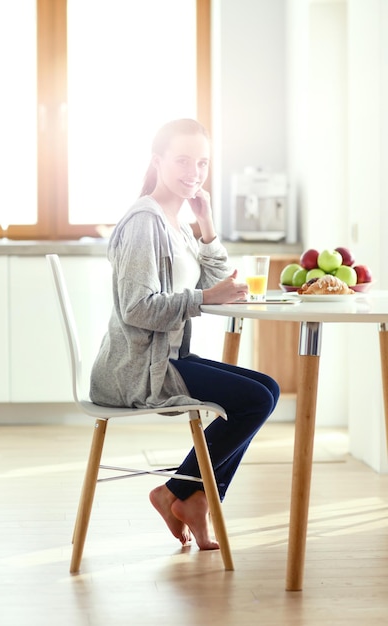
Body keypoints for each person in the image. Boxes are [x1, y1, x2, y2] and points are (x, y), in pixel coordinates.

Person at [90, 118, 280, 551]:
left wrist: (206, 222)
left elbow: (218, 277)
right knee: (255, 399)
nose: (193, 172)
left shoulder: (175, 224)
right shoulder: (145, 222)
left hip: (169, 356)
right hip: (138, 368)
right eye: (182, 160)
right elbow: (137, 309)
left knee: (268, 388)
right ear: (157, 161)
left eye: (202, 162)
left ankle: (186, 495)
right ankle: (186, 494)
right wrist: (202, 297)